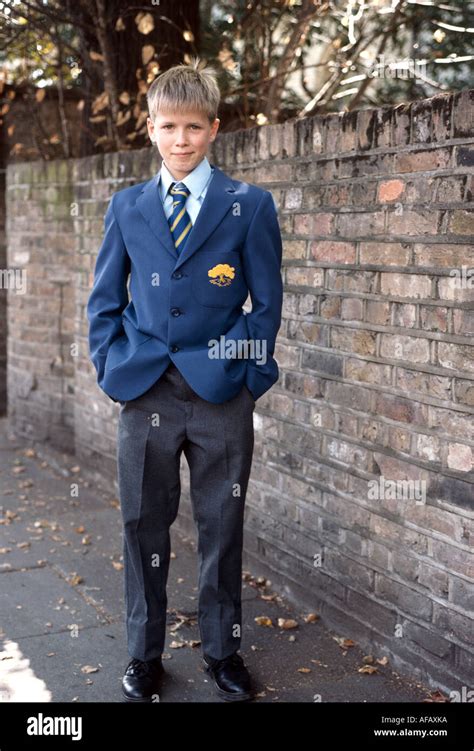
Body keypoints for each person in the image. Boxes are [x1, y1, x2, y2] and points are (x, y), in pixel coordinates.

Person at [86, 57, 283, 702]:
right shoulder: (128, 207)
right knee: (143, 524)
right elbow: (104, 300)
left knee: (220, 525)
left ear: (213, 129)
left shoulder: (248, 206)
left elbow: (267, 302)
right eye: (168, 126)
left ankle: (223, 650)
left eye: (193, 127)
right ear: (150, 128)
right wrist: (110, 368)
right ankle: (144, 655)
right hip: (144, 389)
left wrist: (250, 374)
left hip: (220, 393)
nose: (181, 140)